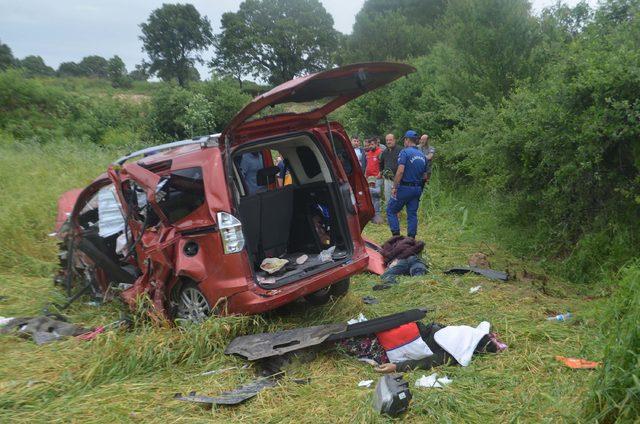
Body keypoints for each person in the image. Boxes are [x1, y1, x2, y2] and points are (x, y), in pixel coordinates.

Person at [386, 130, 427, 238]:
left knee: (391, 210)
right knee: (412, 214)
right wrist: (420, 189)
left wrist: (395, 187)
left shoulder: (405, 152)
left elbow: (400, 171)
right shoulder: (422, 155)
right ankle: (411, 239)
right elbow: (425, 176)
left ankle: (396, 237)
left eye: (405, 139)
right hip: (417, 188)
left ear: (407, 140)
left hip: (404, 188)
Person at [379, 133, 402, 205]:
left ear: (394, 140)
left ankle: (397, 214)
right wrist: (381, 172)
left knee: (397, 199)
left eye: (390, 140)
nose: (388, 142)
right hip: (387, 179)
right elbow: (381, 163)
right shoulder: (385, 152)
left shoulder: (401, 150)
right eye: (387, 140)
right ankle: (389, 214)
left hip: (397, 179)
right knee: (388, 199)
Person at [365, 138, 384, 224]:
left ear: (376, 144)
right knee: (370, 196)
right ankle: (371, 215)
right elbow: (368, 165)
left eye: (372, 144)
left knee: (376, 195)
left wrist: (380, 173)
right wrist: (365, 174)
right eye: (369, 145)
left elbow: (383, 164)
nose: (370, 146)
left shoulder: (380, 152)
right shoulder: (368, 153)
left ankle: (377, 215)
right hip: (369, 178)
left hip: (377, 177)